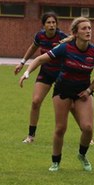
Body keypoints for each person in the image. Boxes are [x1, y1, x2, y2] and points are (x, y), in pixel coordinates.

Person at [21, 17, 94, 172]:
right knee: (60, 128)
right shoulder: (65, 48)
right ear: (75, 32)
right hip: (62, 91)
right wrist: (26, 72)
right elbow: (39, 59)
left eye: (89, 28)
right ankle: (56, 162)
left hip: (83, 93)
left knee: (87, 128)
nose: (88, 31)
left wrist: (88, 90)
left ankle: (82, 155)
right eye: (84, 28)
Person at [13, 12, 68, 144]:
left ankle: (88, 134)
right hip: (46, 72)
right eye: (48, 22)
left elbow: (75, 43)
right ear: (43, 25)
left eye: (54, 22)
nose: (51, 25)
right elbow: (33, 47)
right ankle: (31, 136)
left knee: (71, 105)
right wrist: (22, 62)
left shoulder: (62, 37)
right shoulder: (40, 36)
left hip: (62, 73)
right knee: (36, 101)